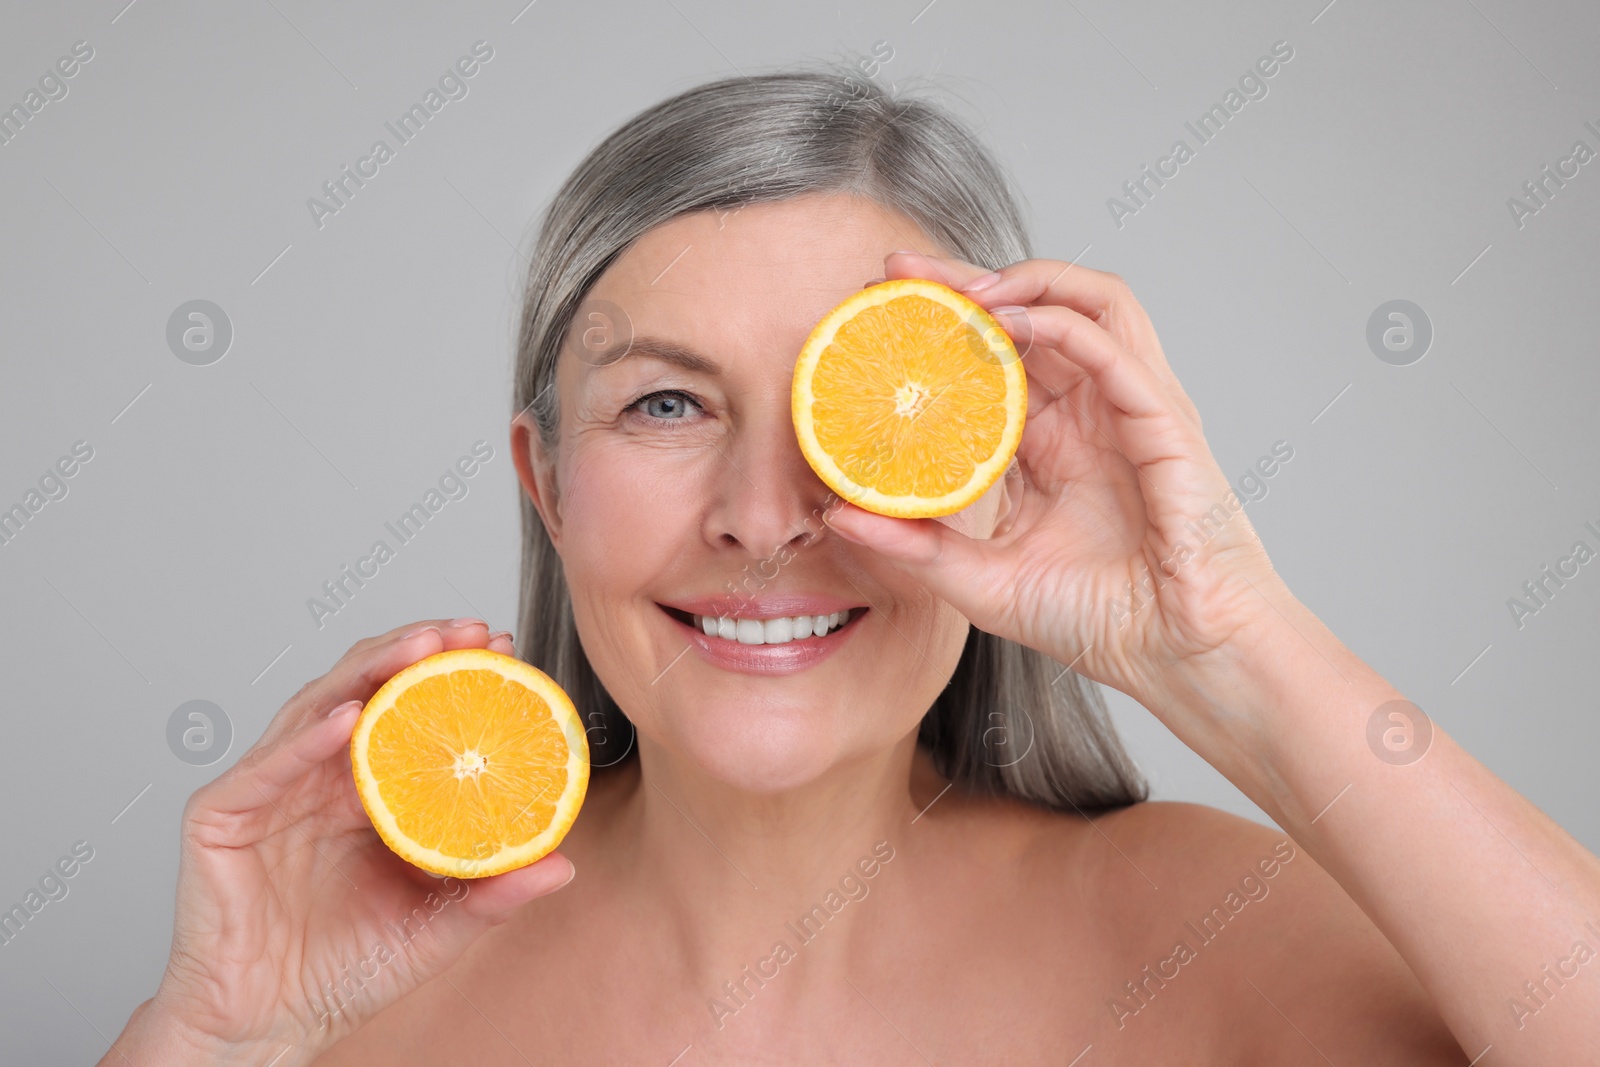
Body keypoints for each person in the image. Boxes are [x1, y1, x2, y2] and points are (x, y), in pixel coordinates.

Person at [104, 66, 1600, 1065]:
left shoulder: (1197, 933)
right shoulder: (364, 983)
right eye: (667, 404)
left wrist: (1228, 639)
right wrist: (209, 1041)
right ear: (546, 486)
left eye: (860, 419)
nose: (765, 517)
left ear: (989, 457)